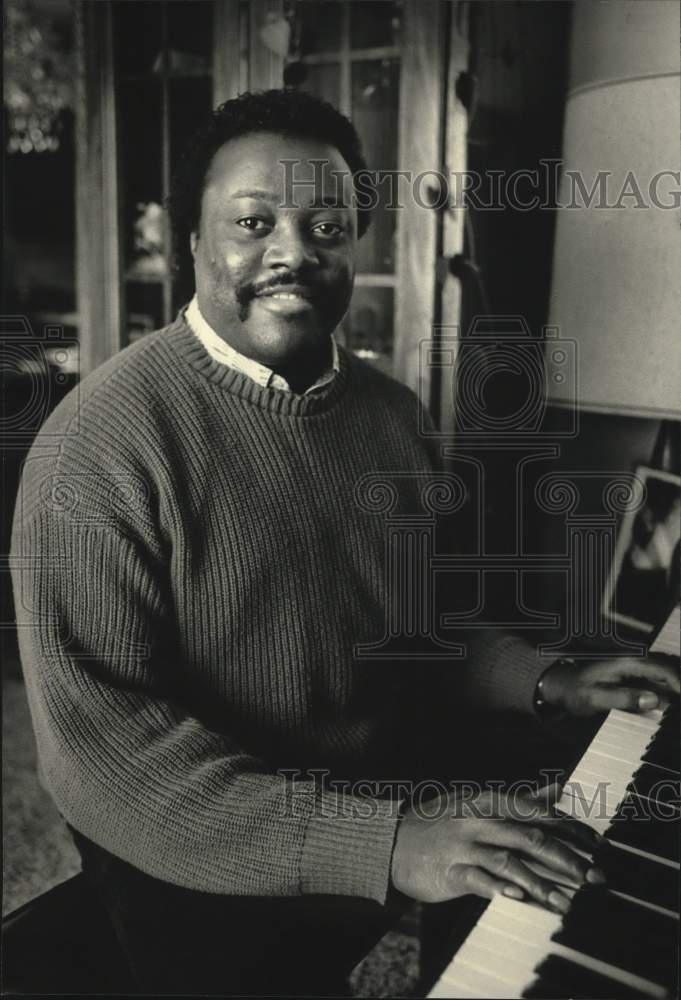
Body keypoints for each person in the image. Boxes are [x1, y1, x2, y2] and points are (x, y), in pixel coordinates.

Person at [11, 89, 678, 996]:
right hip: (198, 852)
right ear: (191, 245)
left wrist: (545, 677)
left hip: (372, 803)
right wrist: (386, 841)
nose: (292, 250)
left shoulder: (392, 416)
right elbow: (109, 759)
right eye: (251, 222)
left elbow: (415, 631)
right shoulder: (97, 442)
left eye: (326, 223)